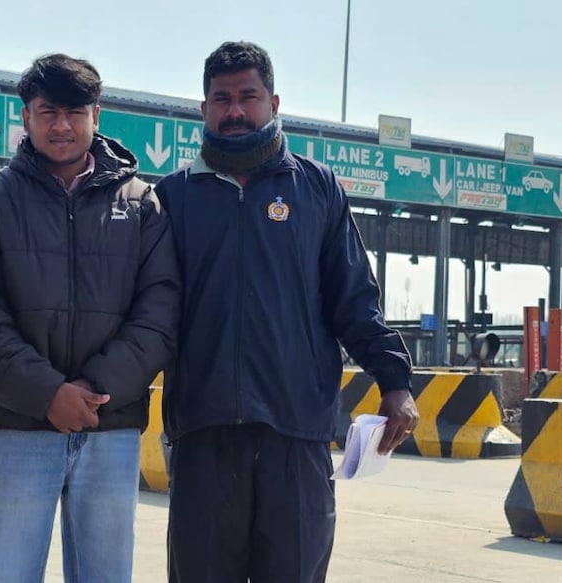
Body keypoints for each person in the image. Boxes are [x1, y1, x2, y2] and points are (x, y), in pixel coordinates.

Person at [155, 41, 419, 582]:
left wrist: (395, 380)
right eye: (221, 99)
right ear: (202, 109)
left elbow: (354, 299)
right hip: (203, 434)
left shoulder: (317, 189)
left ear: (274, 103)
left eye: (247, 97)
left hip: (296, 435)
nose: (234, 111)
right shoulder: (174, 198)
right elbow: (149, 317)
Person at [0, 54, 179, 583]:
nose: (61, 124)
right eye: (47, 110)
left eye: (74, 111)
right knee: (7, 573)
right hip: (16, 423)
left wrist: (94, 389)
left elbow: (160, 312)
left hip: (109, 424)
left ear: (97, 114)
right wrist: (48, 394)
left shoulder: (142, 205)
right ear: (25, 116)